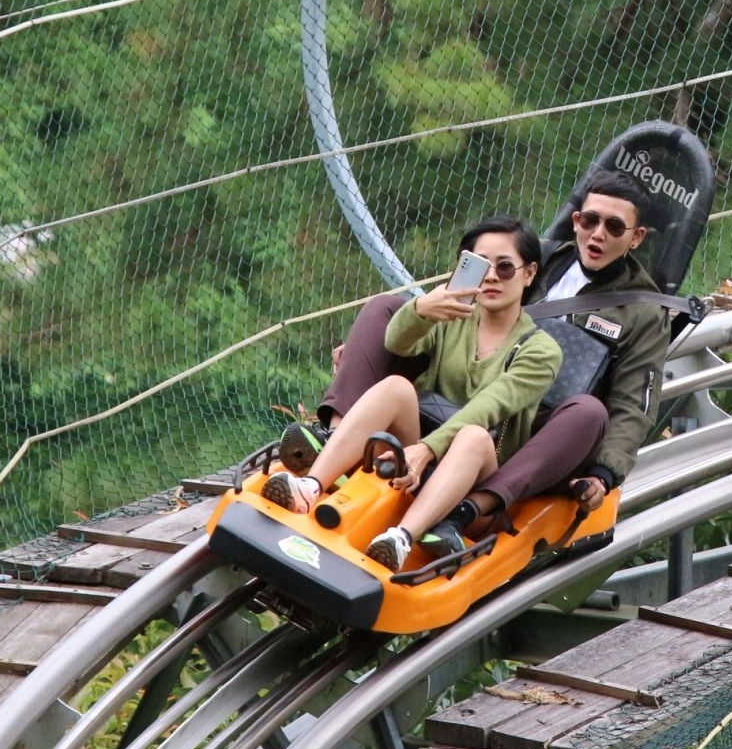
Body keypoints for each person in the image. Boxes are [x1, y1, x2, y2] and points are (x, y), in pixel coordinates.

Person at [282, 168, 670, 552]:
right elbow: (449, 317)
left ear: (636, 237)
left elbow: (634, 406)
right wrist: (389, 335)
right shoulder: (541, 256)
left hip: (530, 431)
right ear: (576, 220)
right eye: (590, 220)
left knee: (589, 412)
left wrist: (604, 474)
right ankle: (334, 433)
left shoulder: (643, 312)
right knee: (386, 308)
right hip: (460, 387)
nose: (598, 233)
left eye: (614, 227)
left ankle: (472, 507)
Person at [261, 216, 561, 572]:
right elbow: (395, 343)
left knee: (473, 435)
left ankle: (401, 537)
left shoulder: (542, 350)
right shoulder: (456, 315)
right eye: (480, 267)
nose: (492, 277)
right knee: (397, 387)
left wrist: (428, 449)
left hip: (475, 475)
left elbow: (488, 407)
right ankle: (310, 485)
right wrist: (420, 312)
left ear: (529, 274)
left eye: (506, 267)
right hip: (420, 451)